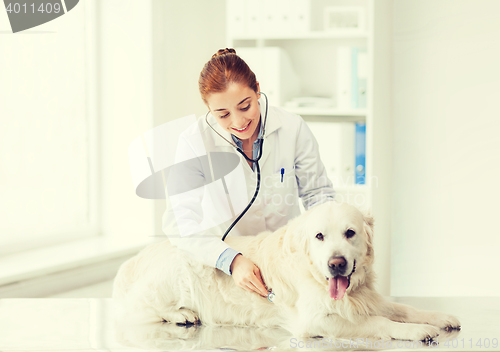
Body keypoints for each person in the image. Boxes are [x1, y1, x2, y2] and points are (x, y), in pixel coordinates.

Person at [162, 48, 335, 298]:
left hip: (285, 257)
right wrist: (230, 260)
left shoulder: (292, 128)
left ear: (257, 89)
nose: (238, 121)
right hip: (226, 263)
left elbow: (318, 194)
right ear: (208, 109)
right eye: (222, 114)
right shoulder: (194, 143)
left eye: (245, 106)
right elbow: (179, 222)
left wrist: (328, 245)